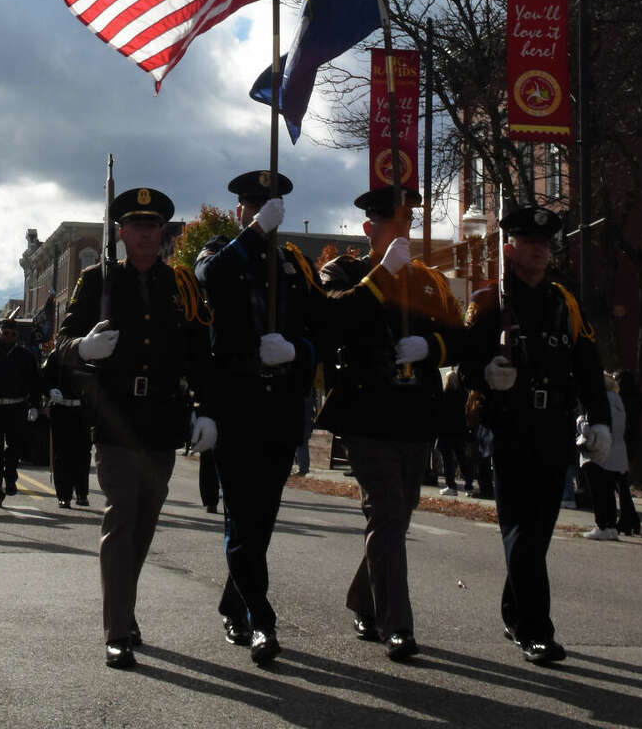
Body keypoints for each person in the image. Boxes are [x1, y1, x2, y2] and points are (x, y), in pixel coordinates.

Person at [57, 184, 217, 670]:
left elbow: (200, 354)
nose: (146, 236)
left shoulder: (182, 285)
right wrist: (82, 348)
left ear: (163, 234)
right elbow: (59, 348)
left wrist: (206, 408)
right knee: (122, 517)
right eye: (137, 227)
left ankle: (124, 609)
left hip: (164, 421)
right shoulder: (96, 281)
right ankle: (117, 629)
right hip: (117, 419)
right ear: (121, 232)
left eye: (154, 228)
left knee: (144, 524)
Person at [318, 184, 465, 664]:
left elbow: (458, 338)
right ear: (368, 230)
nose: (399, 233)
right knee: (385, 510)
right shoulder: (346, 270)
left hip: (415, 416)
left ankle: (364, 597)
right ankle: (396, 625)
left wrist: (433, 348)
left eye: (405, 225)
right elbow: (333, 319)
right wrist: (383, 274)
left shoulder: (429, 282)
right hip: (367, 413)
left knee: (397, 516)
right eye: (389, 225)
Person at [460, 204, 610, 666]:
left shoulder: (565, 302)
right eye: (531, 243)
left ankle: (513, 611)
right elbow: (464, 366)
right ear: (511, 248)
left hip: (554, 429)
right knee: (520, 530)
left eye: (546, 244)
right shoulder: (489, 302)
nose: (541, 250)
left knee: (537, 533)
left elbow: (587, 365)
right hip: (508, 428)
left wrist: (600, 418)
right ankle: (535, 630)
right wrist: (486, 374)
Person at [196, 169, 334, 666]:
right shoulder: (220, 254)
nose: (260, 212)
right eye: (252, 206)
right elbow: (208, 280)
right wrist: (252, 236)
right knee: (241, 517)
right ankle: (262, 620)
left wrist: (297, 350)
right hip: (236, 407)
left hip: (280, 410)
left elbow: (325, 328)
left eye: (267, 206)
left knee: (262, 522)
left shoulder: (293, 265)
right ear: (239, 212)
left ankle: (235, 601)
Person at [0, 319, 40, 505]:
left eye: (12, 334)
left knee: (15, 448)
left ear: (17, 336)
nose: (9, 337)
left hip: (15, 407)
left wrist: (34, 405)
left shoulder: (25, 355)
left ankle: (10, 477)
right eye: (6, 333)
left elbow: (34, 383)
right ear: (0, 333)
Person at [580, 372, 639, 538]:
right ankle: (611, 526)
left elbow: (589, 426)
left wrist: (580, 422)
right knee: (609, 491)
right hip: (618, 452)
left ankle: (602, 526)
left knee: (599, 492)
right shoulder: (618, 401)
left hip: (599, 452)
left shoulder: (598, 401)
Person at [41, 343, 91, 508]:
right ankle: (64, 495)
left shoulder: (88, 354)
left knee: (82, 453)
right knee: (62, 453)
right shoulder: (57, 355)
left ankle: (82, 493)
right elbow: (44, 378)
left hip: (81, 409)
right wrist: (50, 391)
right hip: (61, 408)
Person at [435, 369, 476, 497]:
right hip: (460, 432)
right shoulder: (463, 395)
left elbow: (439, 415)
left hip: (445, 432)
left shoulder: (444, 395)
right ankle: (469, 486)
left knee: (448, 461)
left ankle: (451, 486)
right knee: (462, 460)